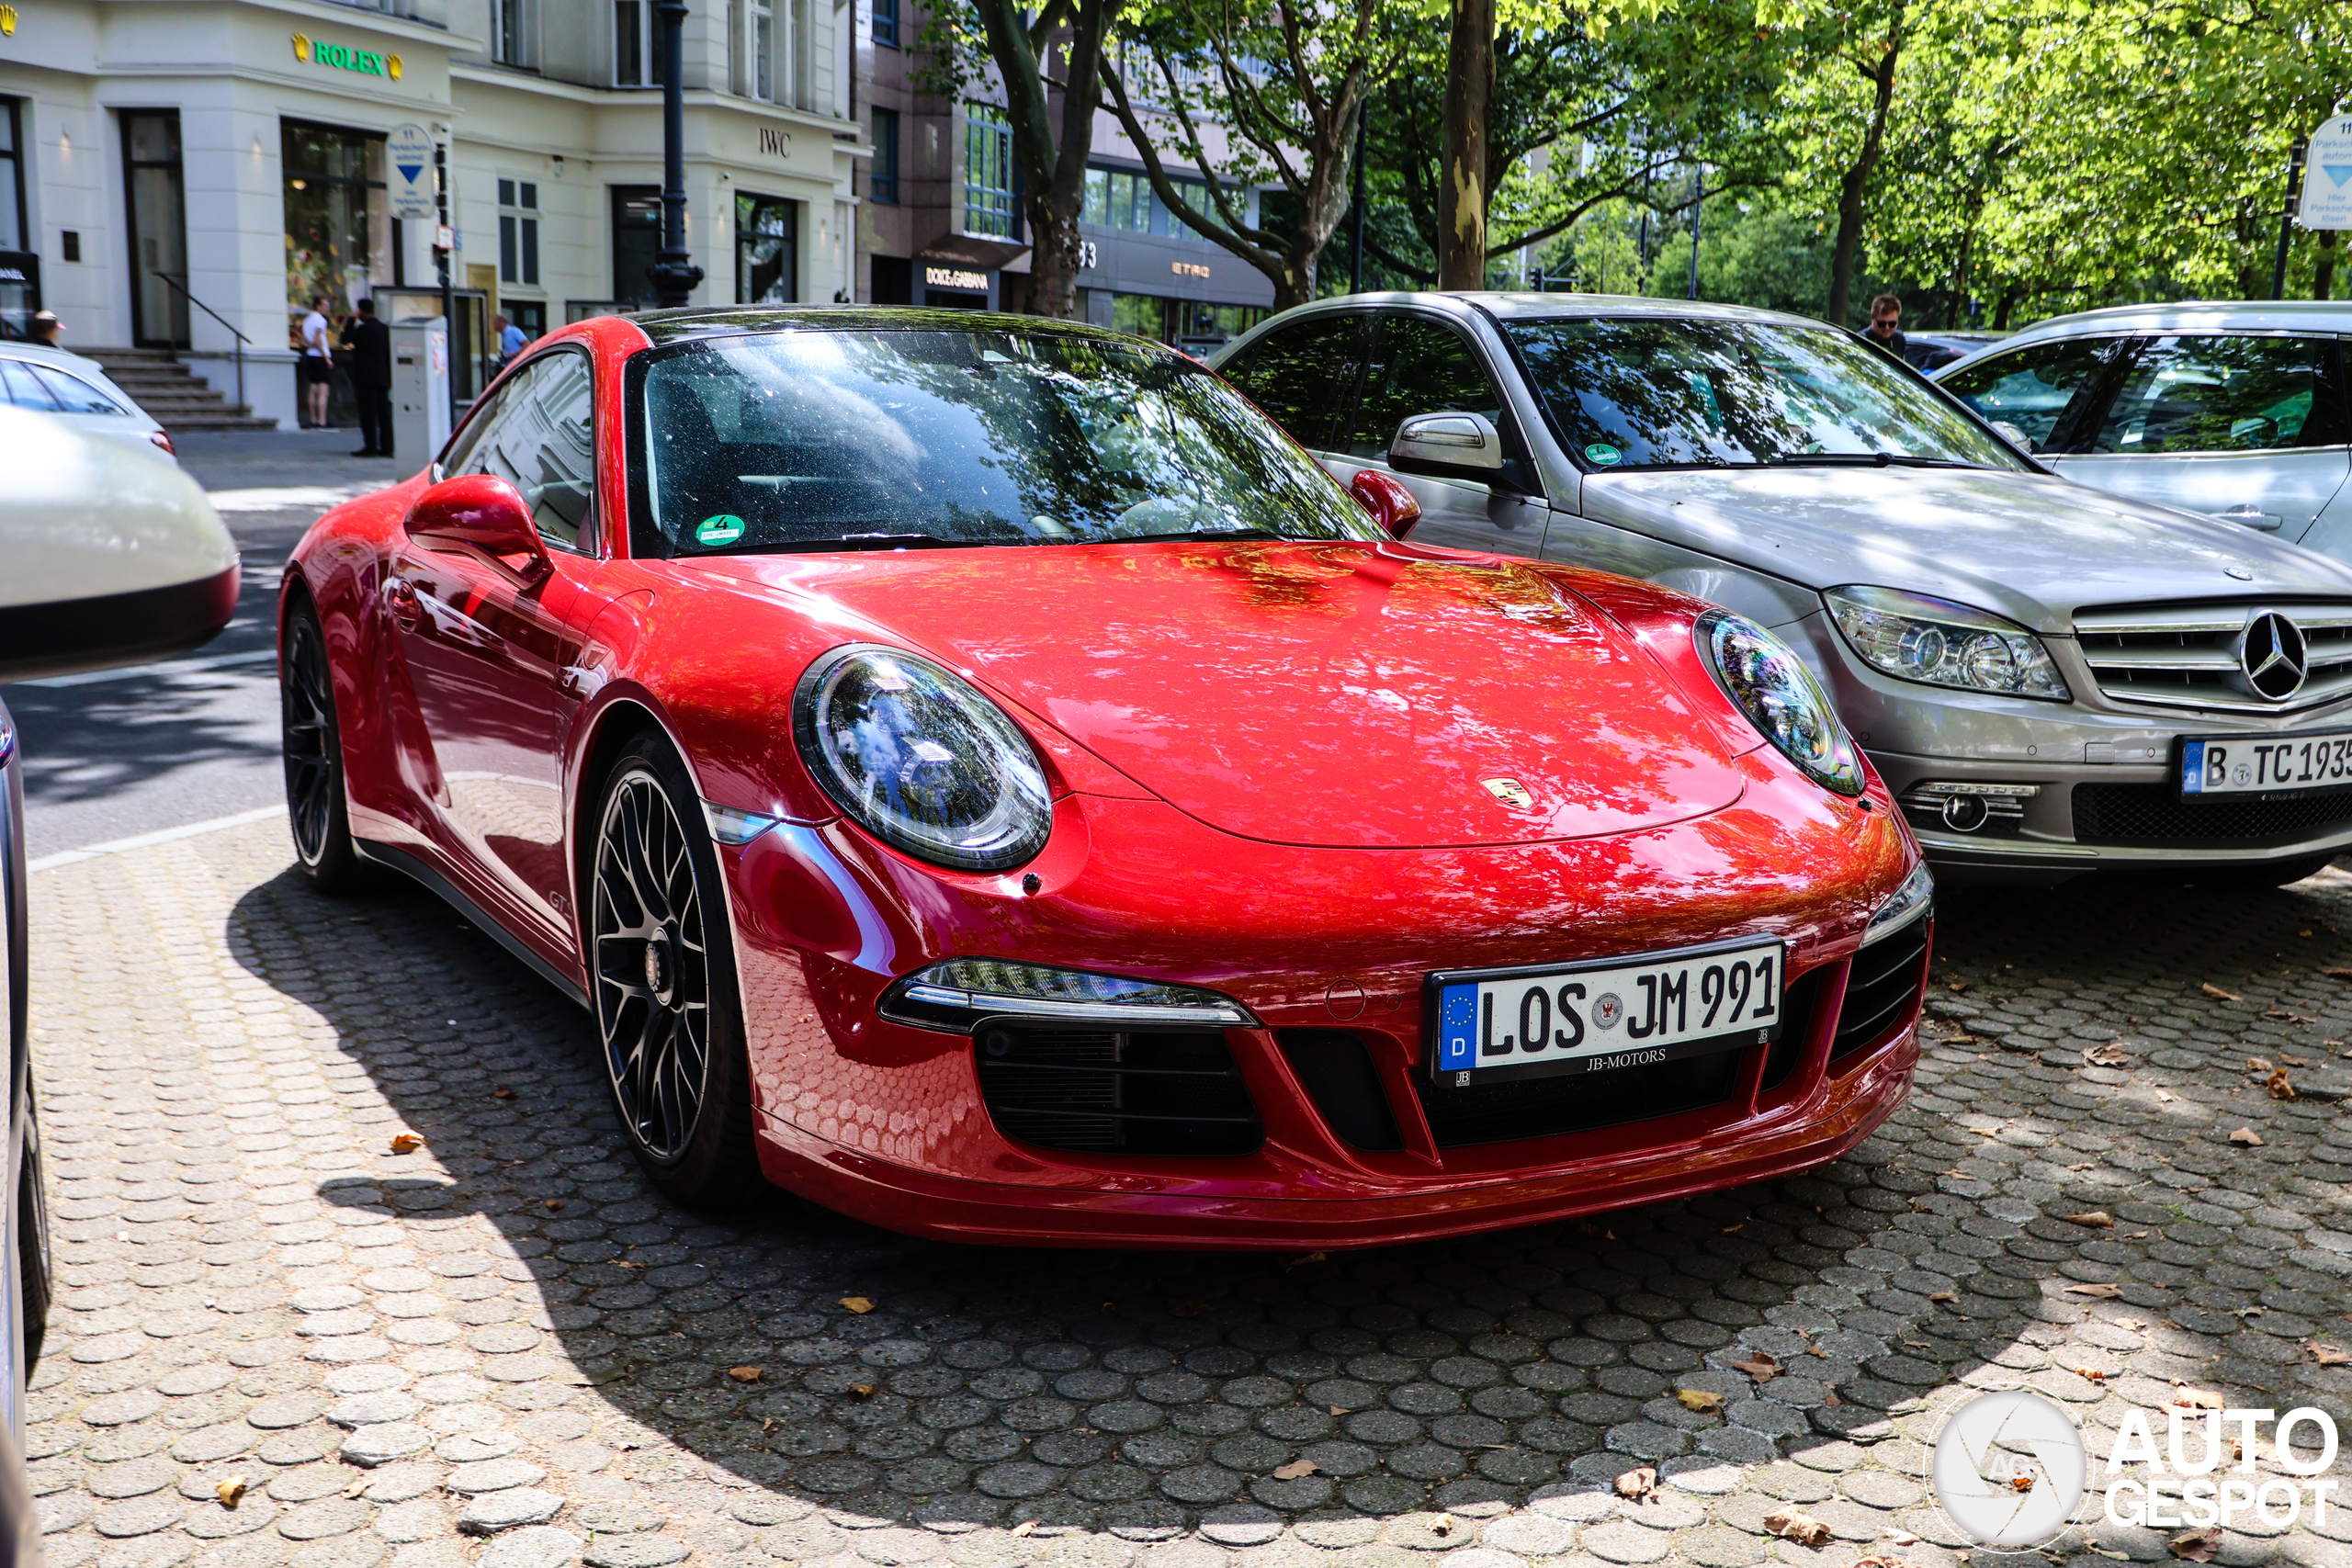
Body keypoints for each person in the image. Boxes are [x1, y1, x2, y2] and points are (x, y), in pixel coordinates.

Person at [340, 298, 394, 459]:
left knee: (368, 413)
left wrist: (350, 320)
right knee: (384, 413)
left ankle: (370, 445)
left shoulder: (363, 330)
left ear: (361, 311)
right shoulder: (384, 329)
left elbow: (344, 339)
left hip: (365, 378)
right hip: (382, 377)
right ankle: (387, 447)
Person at [298, 296, 335, 430]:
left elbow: (303, 341)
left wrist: (311, 346)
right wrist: (326, 357)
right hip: (320, 357)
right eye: (325, 305)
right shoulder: (320, 320)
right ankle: (322, 421)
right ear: (318, 306)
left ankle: (312, 419)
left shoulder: (307, 320)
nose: (327, 308)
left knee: (312, 388)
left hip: (310, 356)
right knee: (323, 390)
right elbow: (318, 340)